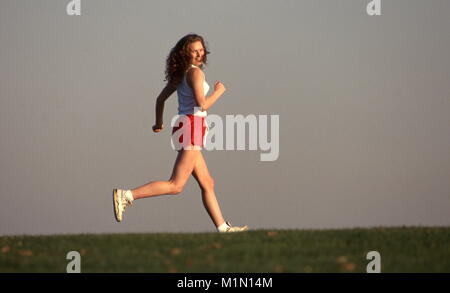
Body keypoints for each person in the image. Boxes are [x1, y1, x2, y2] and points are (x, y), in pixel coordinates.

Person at [113, 33, 248, 233]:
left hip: (184, 127)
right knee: (176, 185)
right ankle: (127, 195)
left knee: (207, 182)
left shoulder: (181, 75)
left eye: (201, 50)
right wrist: (219, 91)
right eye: (195, 51)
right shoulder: (195, 73)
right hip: (192, 127)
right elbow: (202, 104)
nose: (199, 54)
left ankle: (223, 228)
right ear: (186, 53)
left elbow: (160, 100)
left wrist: (158, 123)